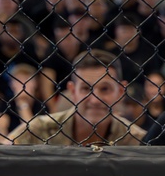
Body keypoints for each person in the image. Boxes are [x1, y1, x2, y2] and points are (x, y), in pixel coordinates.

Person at [9, 50, 146, 146]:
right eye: (86, 89)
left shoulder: (136, 139)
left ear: (121, 91)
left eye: (105, 89)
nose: (95, 99)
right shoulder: (38, 130)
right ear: (72, 91)